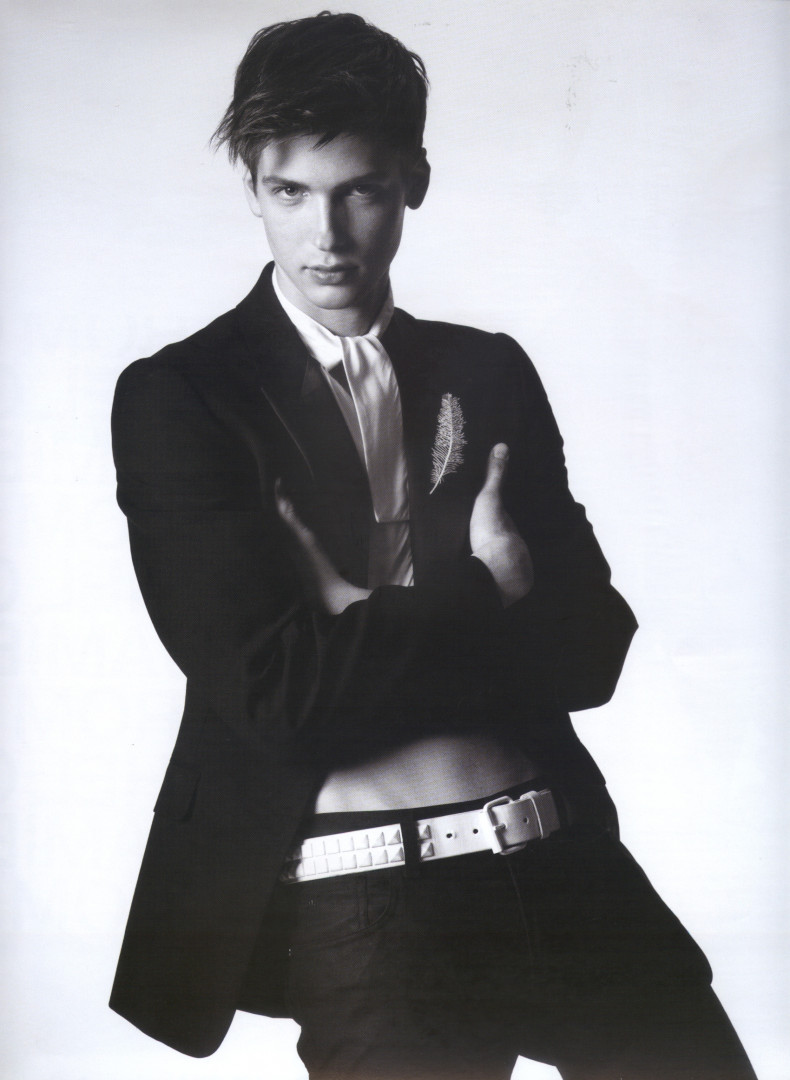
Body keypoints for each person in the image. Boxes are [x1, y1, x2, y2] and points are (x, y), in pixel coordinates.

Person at [109, 12, 757, 1079]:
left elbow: (590, 651)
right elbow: (277, 696)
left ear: (413, 179)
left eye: (360, 190)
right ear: (253, 189)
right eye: (289, 192)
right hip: (373, 904)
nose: (326, 234)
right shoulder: (183, 397)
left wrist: (362, 626)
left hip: (559, 859)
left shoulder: (487, 369)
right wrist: (486, 589)